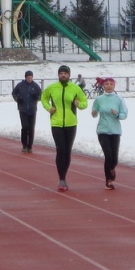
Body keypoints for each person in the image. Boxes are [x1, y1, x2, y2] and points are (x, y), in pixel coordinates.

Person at [41, 64, 87, 192]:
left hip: (71, 123)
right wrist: (49, 108)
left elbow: (85, 103)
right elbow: (43, 98)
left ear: (69, 75)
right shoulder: (52, 88)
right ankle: (61, 178)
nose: (63, 75)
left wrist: (79, 104)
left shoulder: (75, 88)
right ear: (58, 75)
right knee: (60, 149)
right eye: (61, 73)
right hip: (56, 123)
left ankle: (64, 176)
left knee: (67, 151)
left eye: (65, 73)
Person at [90, 77, 128, 190]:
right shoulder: (99, 99)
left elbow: (124, 114)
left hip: (115, 131)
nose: (109, 86)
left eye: (111, 84)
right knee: (108, 155)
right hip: (103, 130)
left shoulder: (119, 99)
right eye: (106, 84)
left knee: (114, 158)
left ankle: (112, 170)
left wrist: (117, 114)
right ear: (103, 86)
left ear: (114, 86)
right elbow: (94, 114)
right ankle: (108, 180)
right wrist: (94, 112)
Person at [11, 70, 41, 153]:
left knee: (31, 128)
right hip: (23, 109)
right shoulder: (20, 85)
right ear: (25, 77)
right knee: (25, 127)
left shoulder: (35, 86)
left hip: (32, 110)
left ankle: (30, 146)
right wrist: (17, 99)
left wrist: (37, 97)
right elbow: (14, 93)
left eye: (31, 77)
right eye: (28, 77)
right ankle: (24, 145)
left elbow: (41, 95)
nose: (30, 79)